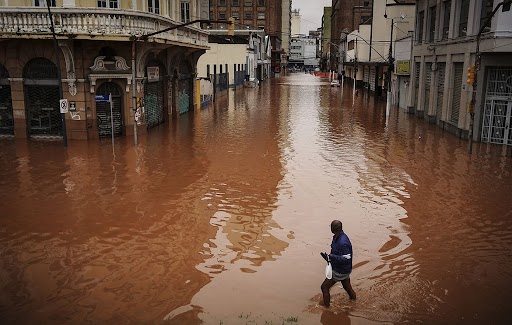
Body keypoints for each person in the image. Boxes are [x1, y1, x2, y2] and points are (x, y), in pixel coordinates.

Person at [320, 220, 356, 307]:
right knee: (347, 287)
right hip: (343, 268)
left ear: (333, 229)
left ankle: (327, 309)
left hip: (340, 270)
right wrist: (328, 258)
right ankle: (354, 301)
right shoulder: (337, 237)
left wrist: (332, 257)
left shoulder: (342, 242)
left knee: (324, 287)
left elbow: (347, 258)